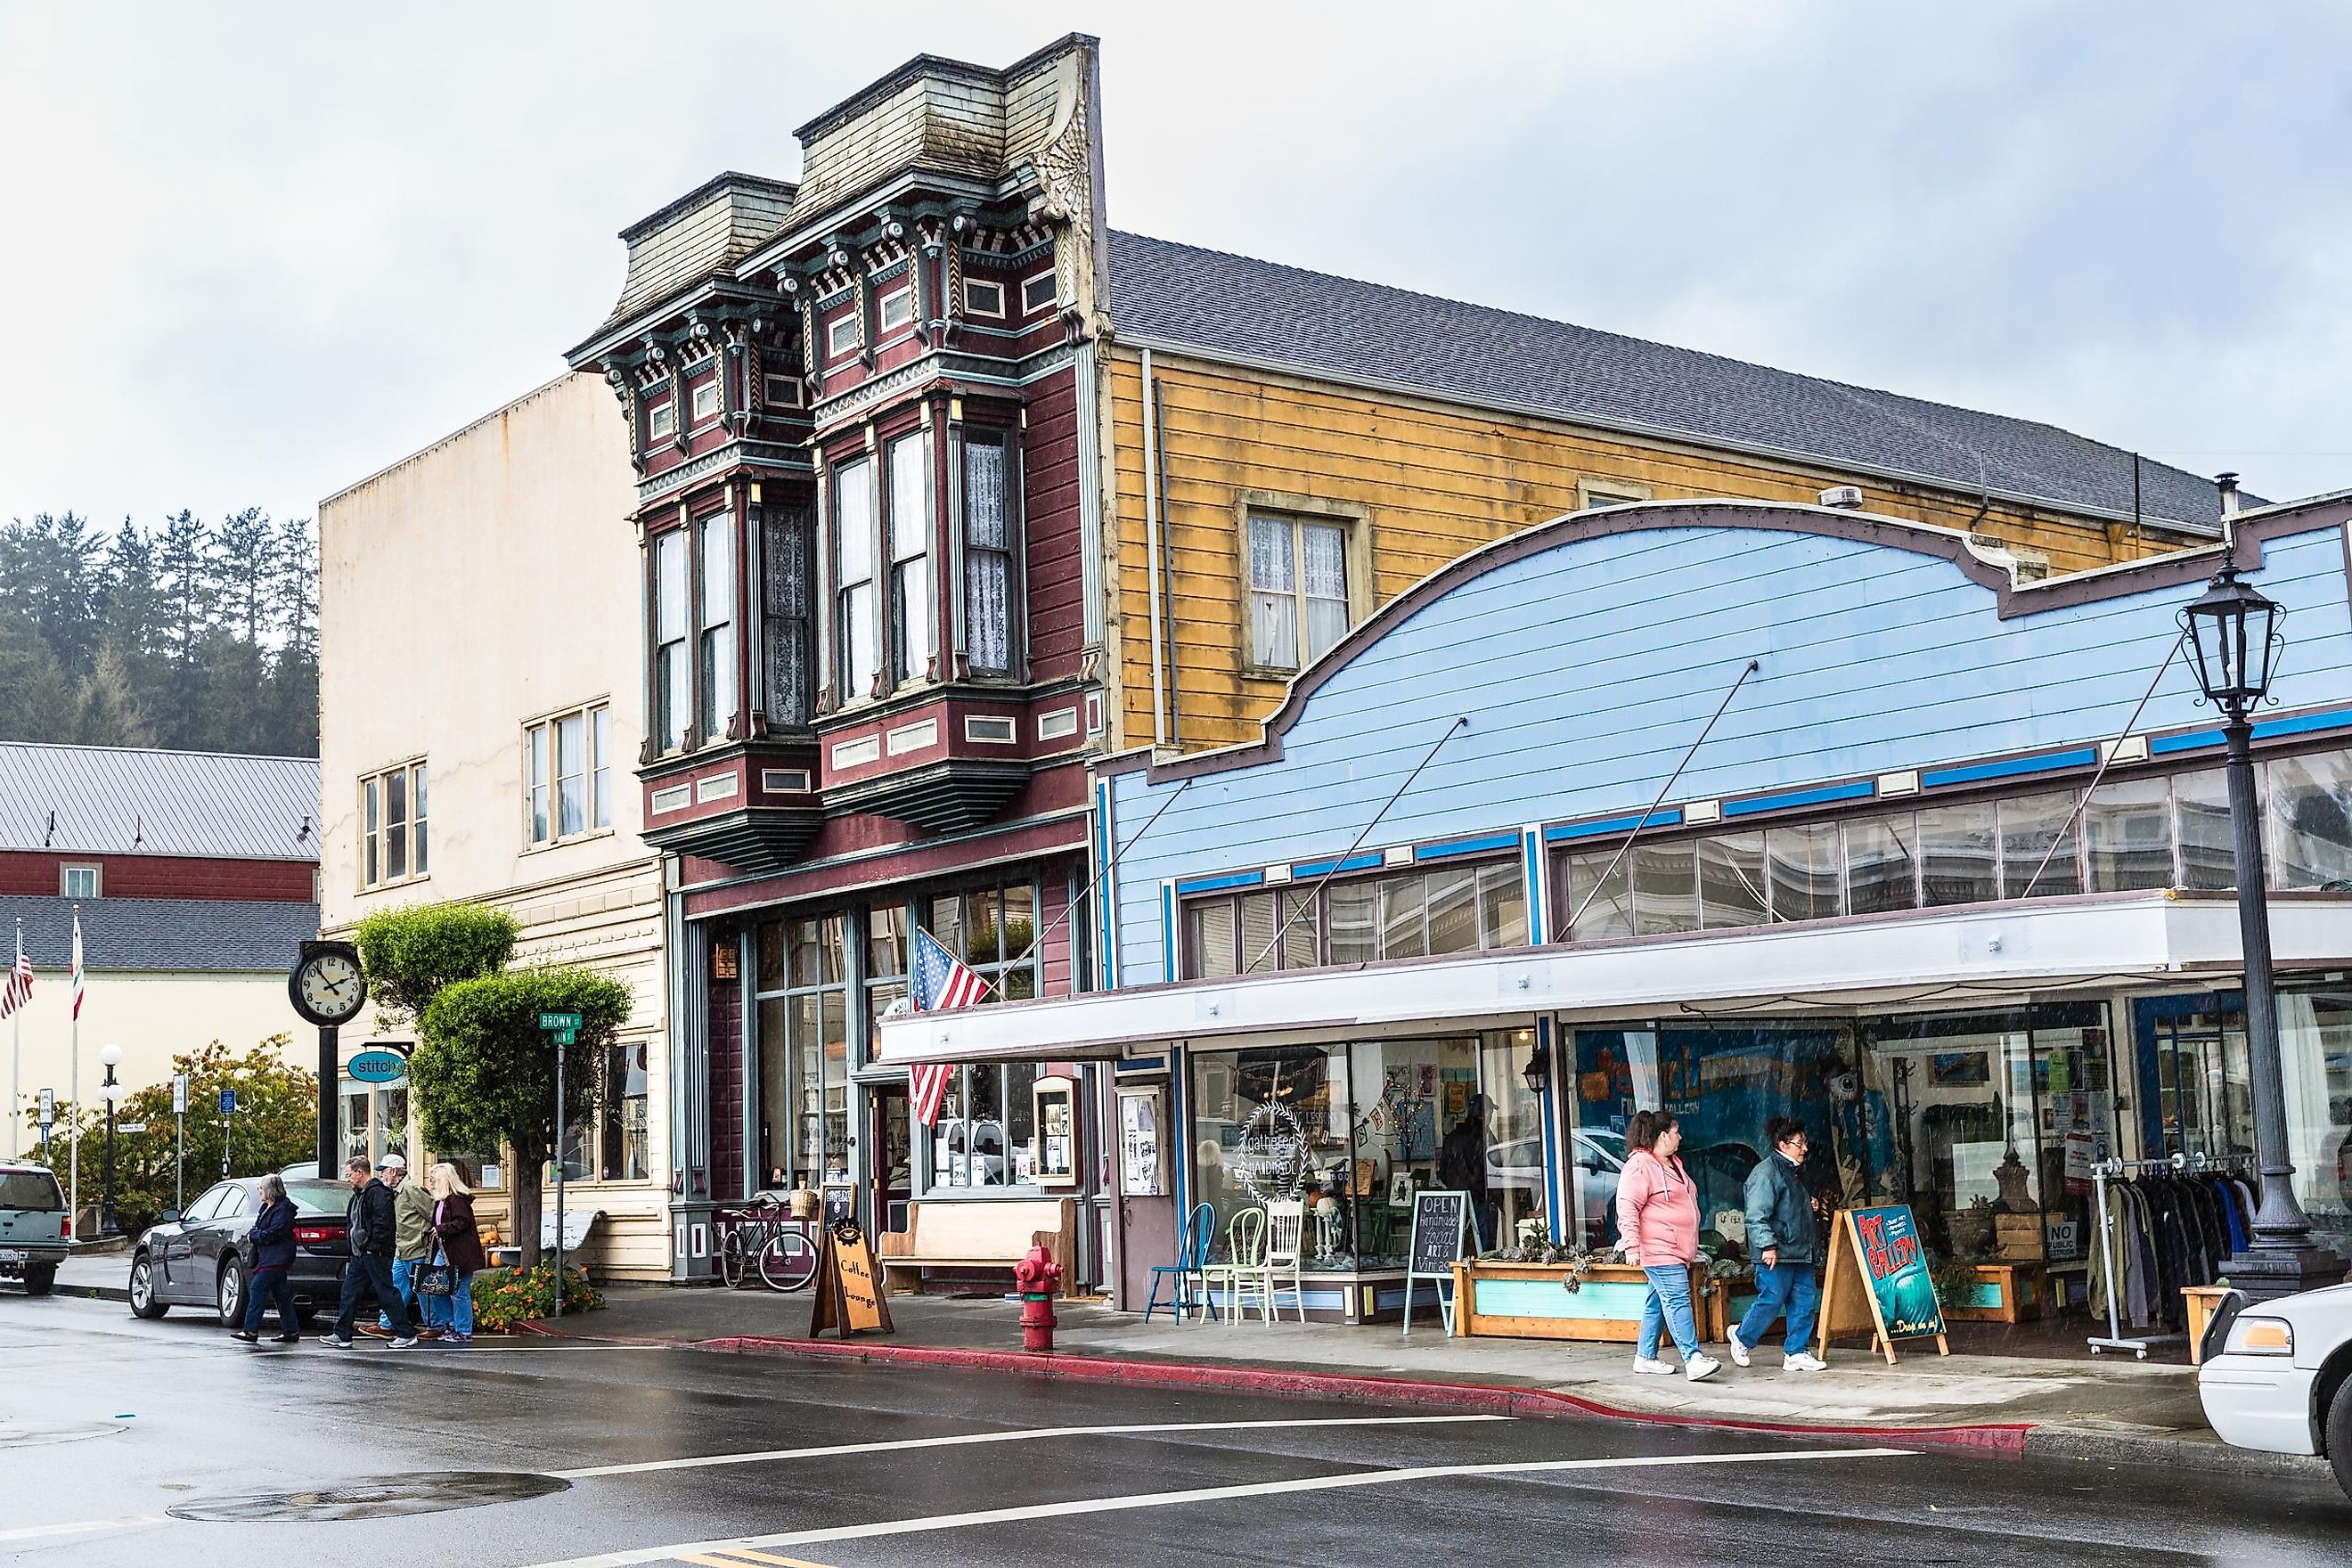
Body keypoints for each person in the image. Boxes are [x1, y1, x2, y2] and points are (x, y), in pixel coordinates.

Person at [1616, 1108, 1719, 1381]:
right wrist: (1631, 1246)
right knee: (1677, 1300)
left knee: (1657, 1303)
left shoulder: (1672, 1163)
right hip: (1659, 1248)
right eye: (1676, 1132)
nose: (1681, 1137)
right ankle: (1693, 1358)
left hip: (1675, 1248)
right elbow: (1627, 1206)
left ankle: (1645, 1357)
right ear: (1663, 1135)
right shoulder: (1640, 1165)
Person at [1731, 1116, 1828, 1374]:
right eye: (1799, 1143)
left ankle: (1796, 1351)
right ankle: (1742, 1337)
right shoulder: (1765, 1172)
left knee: (1804, 1303)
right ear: (1783, 1145)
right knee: (1772, 1299)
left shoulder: (1795, 1170)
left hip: (1800, 1250)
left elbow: (1789, 1207)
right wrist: (1767, 1246)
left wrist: (1810, 1204)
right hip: (1777, 1251)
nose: (1805, 1148)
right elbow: (1756, 1215)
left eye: (1805, 1142)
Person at [324, 1155, 413, 1351]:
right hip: (360, 1254)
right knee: (349, 1292)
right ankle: (342, 1334)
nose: (347, 1178)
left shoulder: (377, 1193)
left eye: (349, 1174)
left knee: (386, 1292)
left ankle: (406, 1333)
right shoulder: (359, 1194)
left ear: (359, 1172)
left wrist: (372, 1246)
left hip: (375, 1252)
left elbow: (383, 1223)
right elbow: (355, 1223)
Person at [229, 1173, 300, 1345]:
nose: (259, 1192)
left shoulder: (284, 1209)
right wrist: (256, 1234)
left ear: (270, 1190)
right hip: (268, 1256)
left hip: (277, 1257)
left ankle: (250, 1330)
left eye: (261, 1188)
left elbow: (274, 1232)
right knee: (281, 1294)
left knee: (257, 1287)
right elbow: (258, 1228)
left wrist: (255, 1236)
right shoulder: (266, 1207)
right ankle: (291, 1330)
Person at [380, 1153, 440, 1339]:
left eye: (384, 1172)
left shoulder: (411, 1188)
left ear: (394, 1171)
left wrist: (429, 1233)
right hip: (402, 1248)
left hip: (416, 1247)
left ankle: (435, 1325)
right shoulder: (399, 1191)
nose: (382, 1176)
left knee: (423, 1289)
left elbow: (432, 1212)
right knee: (397, 1288)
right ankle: (387, 1323)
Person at [428, 1161, 486, 1346]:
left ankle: (463, 1330)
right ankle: (450, 1323)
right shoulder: (441, 1201)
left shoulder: (456, 1200)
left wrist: (441, 1229)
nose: (430, 1182)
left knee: (459, 1291)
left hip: (461, 1253)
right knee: (434, 1287)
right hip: (446, 1251)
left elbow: (463, 1222)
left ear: (443, 1179)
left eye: (433, 1178)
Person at [1438, 1094, 1495, 1251]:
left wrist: (1455, 1185)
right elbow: (1493, 1169)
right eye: (1490, 1112)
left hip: (1456, 1199)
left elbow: (1442, 1172)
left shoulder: (1452, 1138)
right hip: (1479, 1199)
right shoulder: (1485, 1137)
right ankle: (1483, 1274)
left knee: (1455, 1245)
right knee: (1485, 1248)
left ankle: (1457, 1273)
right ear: (1486, 1114)